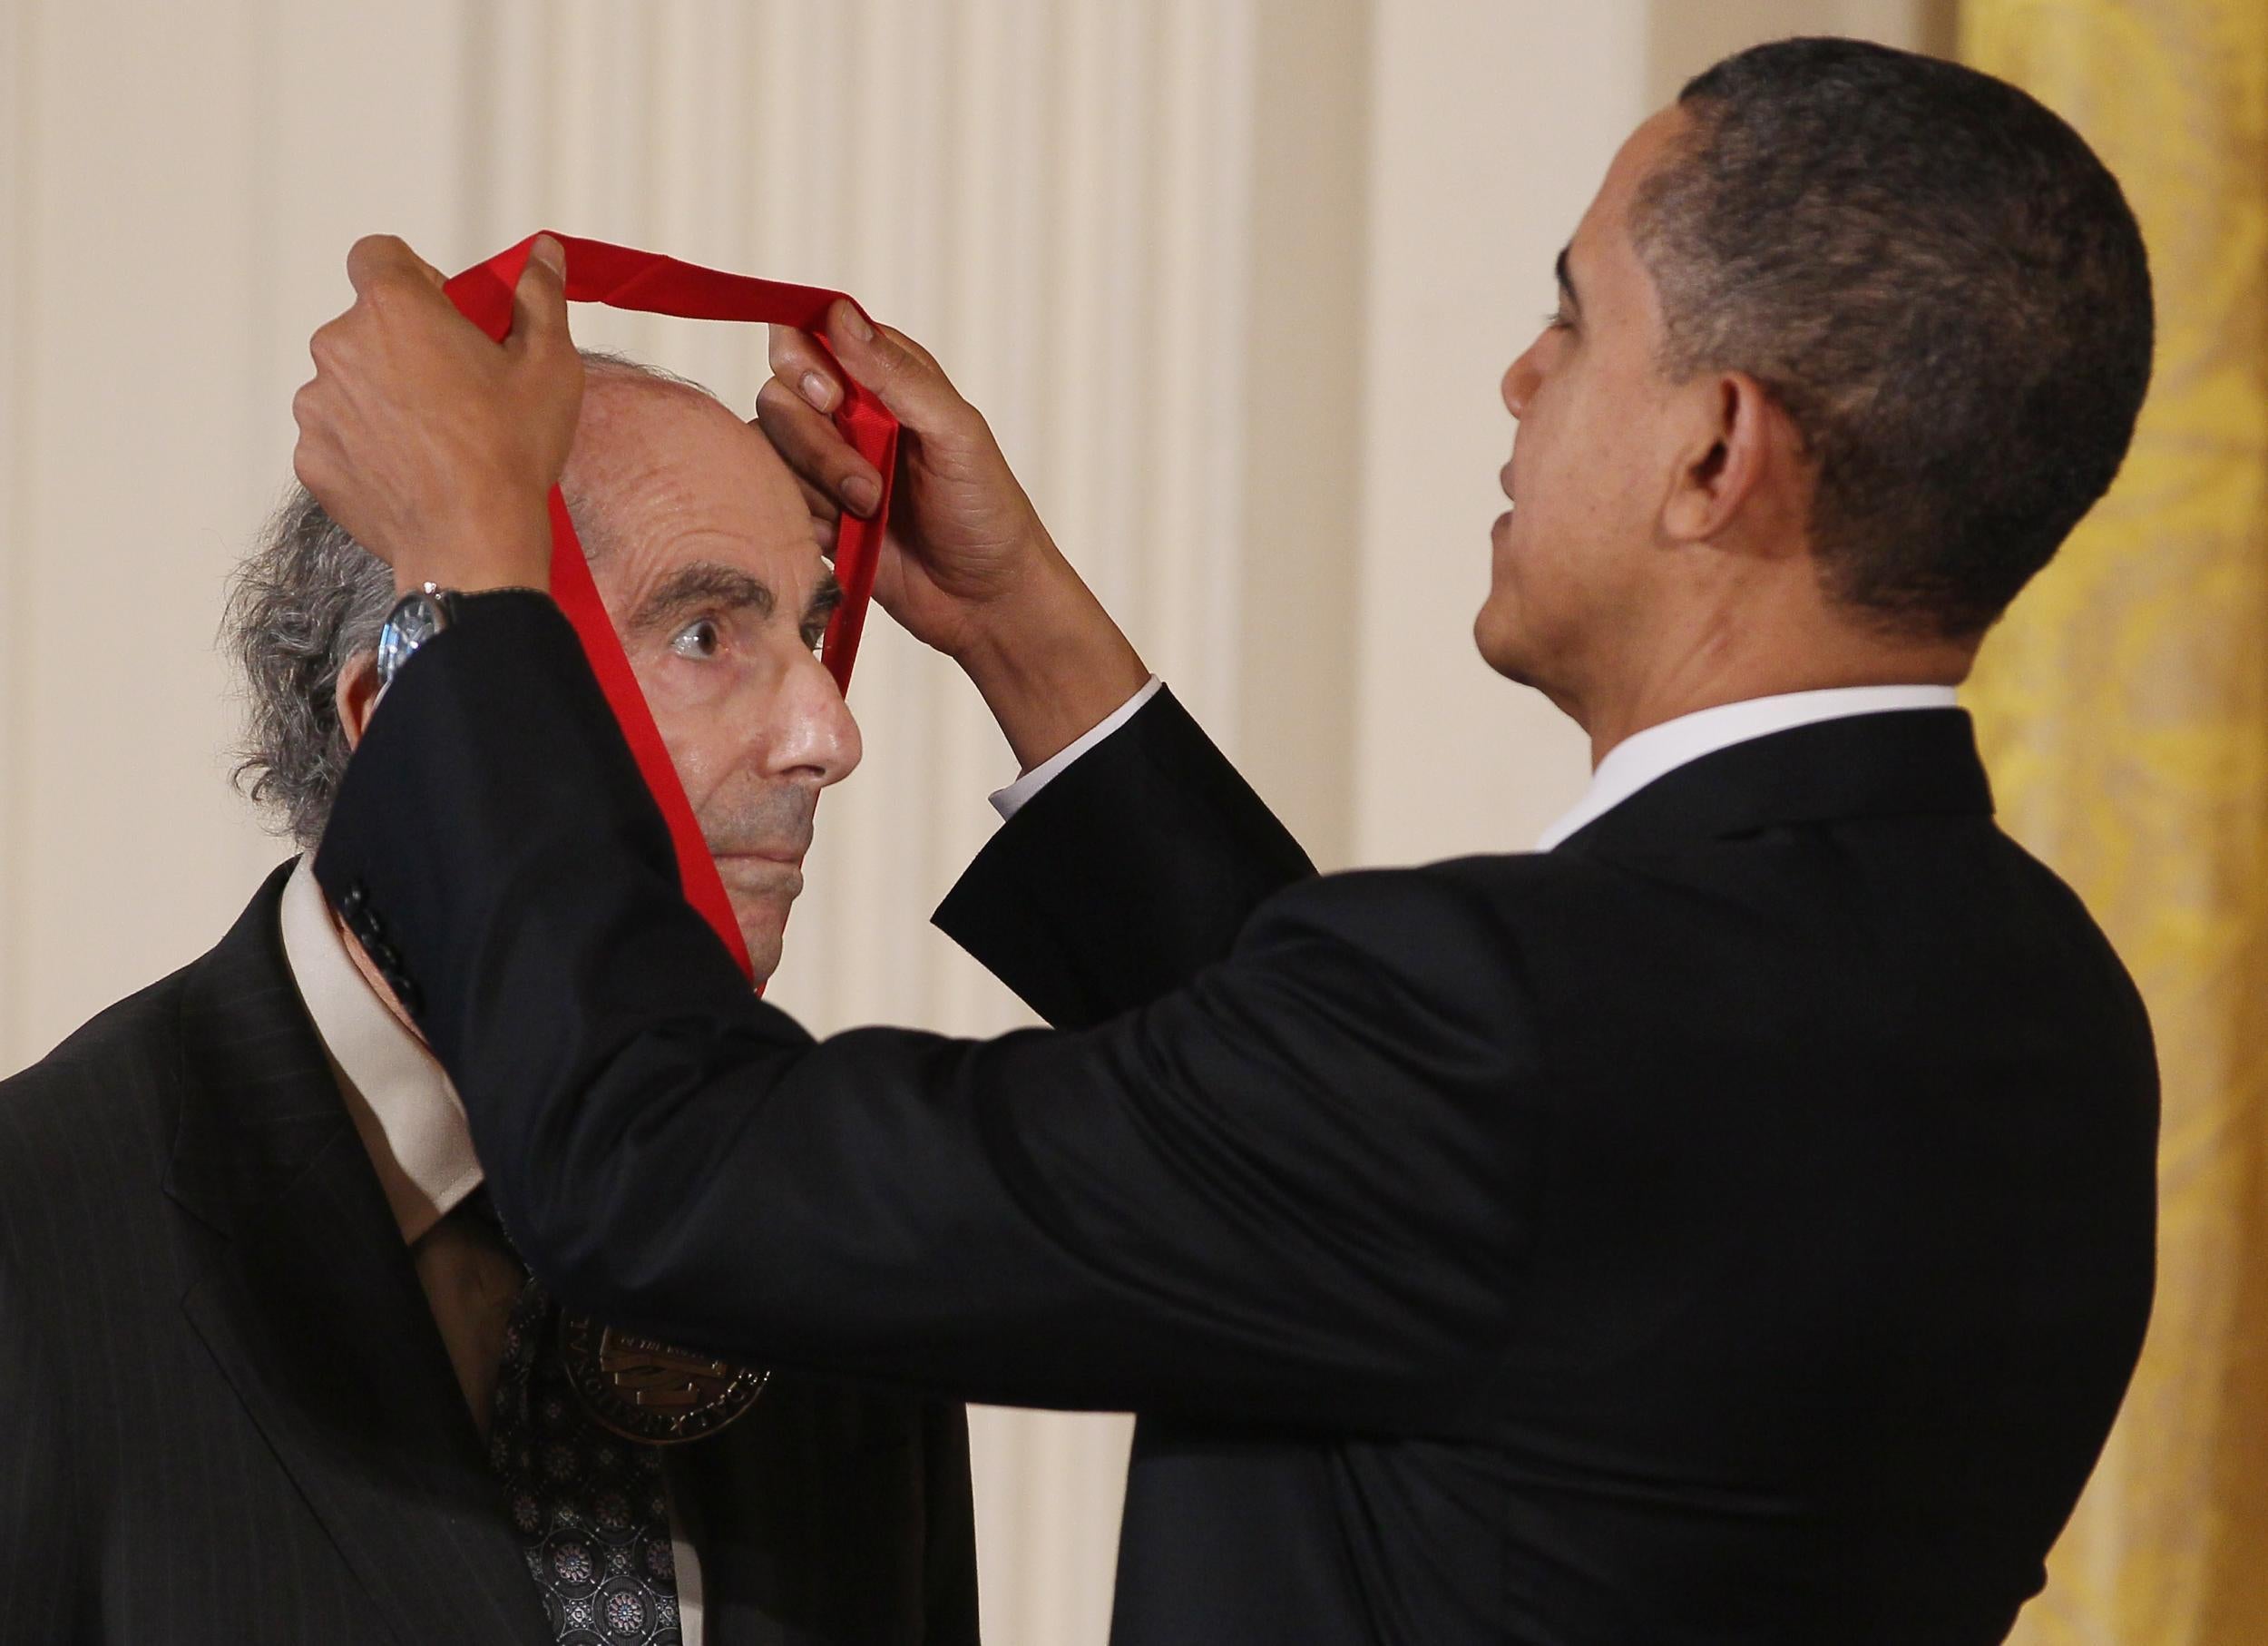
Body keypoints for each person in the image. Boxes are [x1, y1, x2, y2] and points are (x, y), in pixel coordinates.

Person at [292, 38, 2158, 1646]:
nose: (1517, 374)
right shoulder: (2047, 1011)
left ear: (1713, 453)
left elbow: (664, 1173)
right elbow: (1420, 1202)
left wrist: (469, 565)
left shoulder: (1508, 1044)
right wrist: (1025, 634)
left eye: (1573, 320)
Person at [0, 354, 979, 1646]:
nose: (827, 732)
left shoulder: (827, 1209)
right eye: (703, 633)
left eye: (805, 632)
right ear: (402, 726)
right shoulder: (39, 1242)